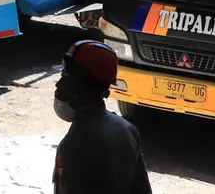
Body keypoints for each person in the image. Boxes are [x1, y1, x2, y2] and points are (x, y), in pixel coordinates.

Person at [53, 40, 152, 194]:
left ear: (85, 88)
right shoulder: (125, 129)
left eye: (66, 78)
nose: (57, 85)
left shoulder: (77, 145)